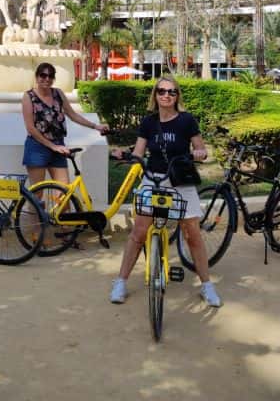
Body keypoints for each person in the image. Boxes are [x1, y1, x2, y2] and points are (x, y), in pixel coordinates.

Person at [109, 75, 222, 308]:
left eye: (171, 92)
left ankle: (207, 285)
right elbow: (140, 152)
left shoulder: (187, 120)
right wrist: (127, 156)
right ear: (155, 95)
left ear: (177, 95)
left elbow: (200, 147)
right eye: (162, 91)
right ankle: (120, 281)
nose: (166, 95)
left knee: (192, 234)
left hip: (179, 180)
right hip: (153, 178)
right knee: (138, 232)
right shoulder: (149, 122)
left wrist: (200, 153)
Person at [21, 62, 108, 186]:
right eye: (43, 75)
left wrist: (95, 126)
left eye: (50, 76)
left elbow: (73, 115)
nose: (47, 79)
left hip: (58, 146)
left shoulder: (58, 93)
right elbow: (30, 128)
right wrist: (52, 146)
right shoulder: (29, 96)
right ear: (37, 77)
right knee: (37, 194)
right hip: (37, 147)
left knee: (63, 193)